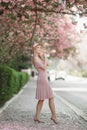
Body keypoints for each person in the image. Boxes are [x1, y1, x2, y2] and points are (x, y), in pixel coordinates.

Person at [32, 43, 58, 124]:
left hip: (43, 78)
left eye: (40, 47)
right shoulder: (35, 58)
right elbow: (44, 67)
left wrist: (43, 57)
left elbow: (48, 64)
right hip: (42, 79)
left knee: (41, 99)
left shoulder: (39, 57)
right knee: (51, 97)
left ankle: (37, 117)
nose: (39, 49)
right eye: (38, 48)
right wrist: (45, 57)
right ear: (35, 49)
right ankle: (53, 116)